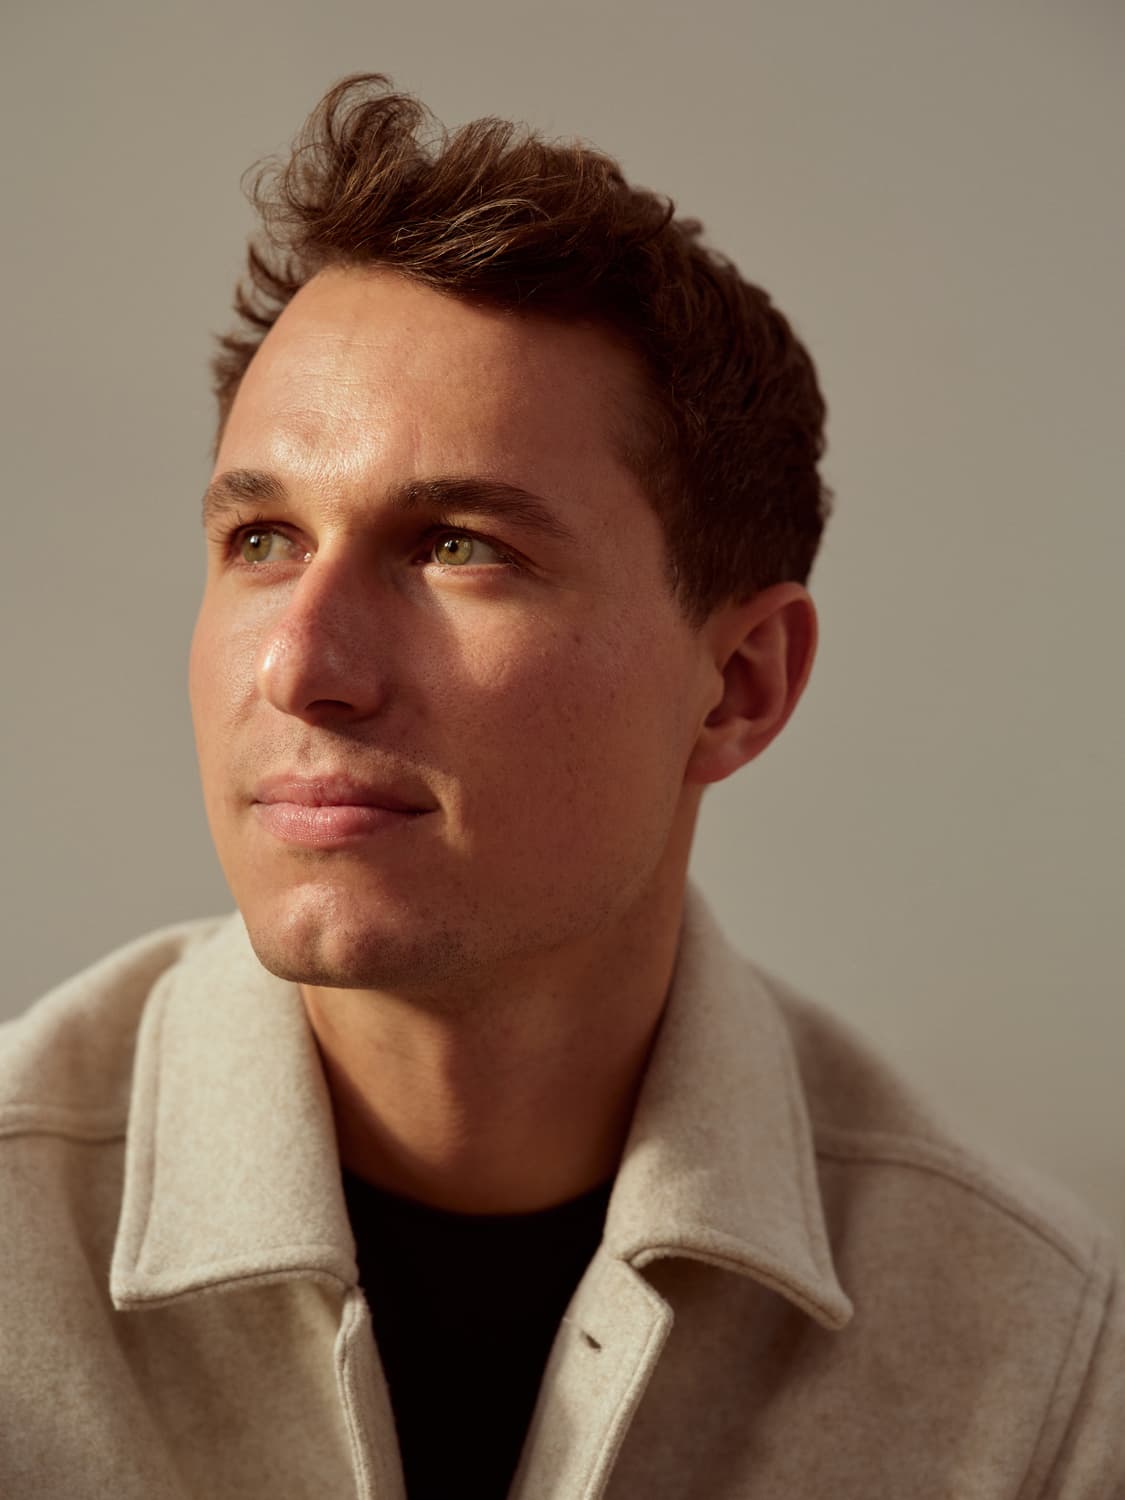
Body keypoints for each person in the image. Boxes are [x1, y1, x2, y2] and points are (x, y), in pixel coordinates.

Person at [1, 71, 1121, 1500]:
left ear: (740, 685)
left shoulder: (1027, 1354)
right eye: (264, 540)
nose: (301, 666)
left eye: (461, 545)